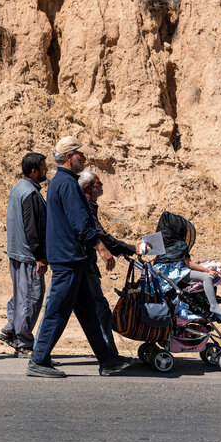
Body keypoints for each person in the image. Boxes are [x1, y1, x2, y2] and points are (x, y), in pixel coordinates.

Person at [26, 136, 134, 378]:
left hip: (74, 260)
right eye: (80, 155)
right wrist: (102, 249)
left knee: (87, 313)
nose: (84, 158)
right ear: (68, 157)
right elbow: (81, 224)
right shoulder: (66, 184)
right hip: (68, 260)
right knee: (56, 311)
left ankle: (107, 359)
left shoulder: (62, 182)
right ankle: (38, 360)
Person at [78, 170, 147, 356]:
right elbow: (100, 236)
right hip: (83, 267)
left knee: (59, 309)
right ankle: (109, 354)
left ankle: (39, 352)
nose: (102, 185)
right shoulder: (85, 206)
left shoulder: (88, 205)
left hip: (81, 266)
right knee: (99, 309)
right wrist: (131, 249)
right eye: (98, 183)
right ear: (87, 188)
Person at [0, 153, 48, 358]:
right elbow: (31, 228)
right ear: (34, 170)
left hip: (16, 252)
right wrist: (40, 256)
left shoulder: (18, 188)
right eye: (43, 167)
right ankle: (24, 342)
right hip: (28, 255)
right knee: (31, 298)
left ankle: (10, 328)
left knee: (21, 294)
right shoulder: (30, 193)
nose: (46, 170)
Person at [152, 211, 221, 323]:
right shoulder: (179, 244)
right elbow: (189, 264)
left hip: (161, 277)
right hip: (178, 274)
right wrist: (208, 270)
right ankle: (214, 306)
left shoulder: (160, 243)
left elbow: (152, 259)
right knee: (206, 278)